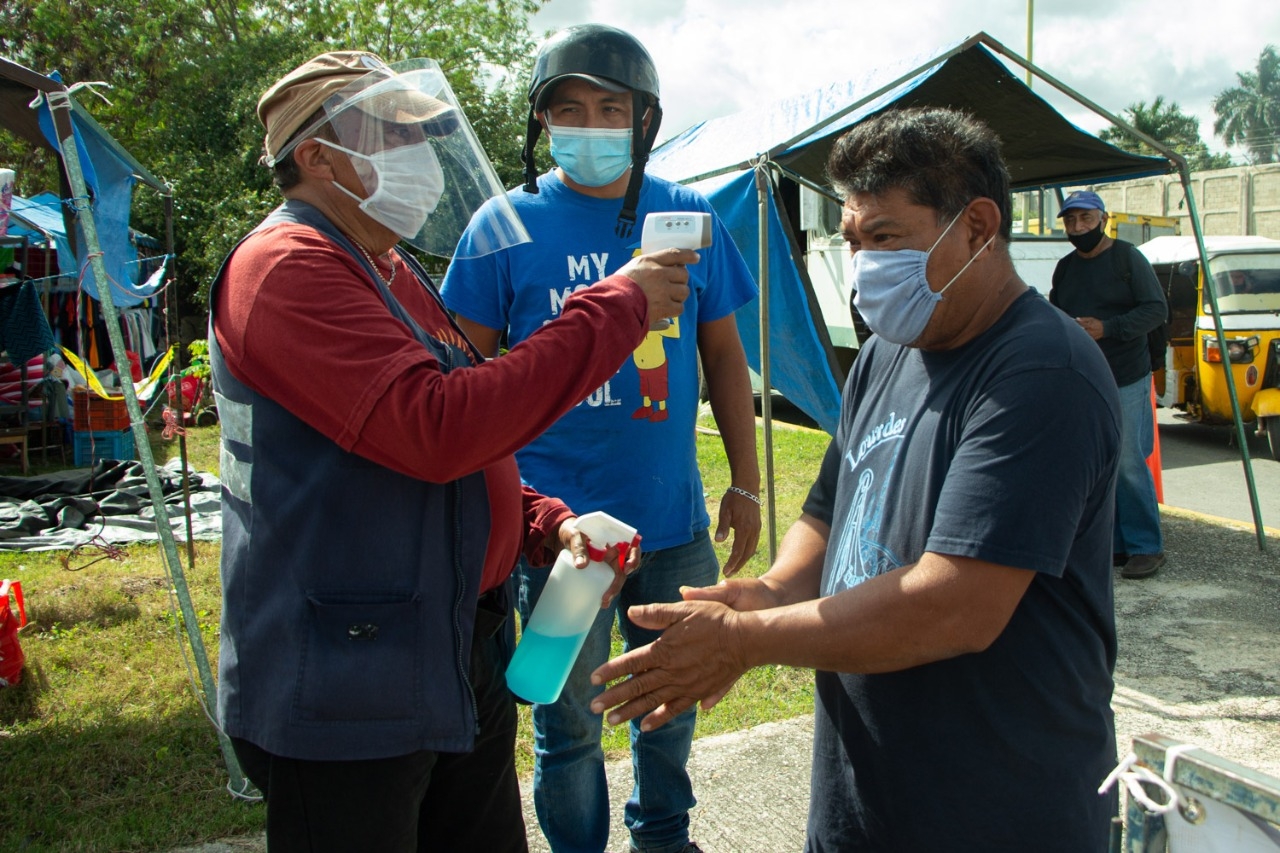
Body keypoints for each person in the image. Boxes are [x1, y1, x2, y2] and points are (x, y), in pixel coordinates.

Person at [588, 107, 1122, 853]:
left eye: (885, 239)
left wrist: (748, 640)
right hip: (867, 798)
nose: (865, 264)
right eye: (852, 241)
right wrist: (771, 592)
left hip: (997, 805)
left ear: (976, 227)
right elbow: (831, 508)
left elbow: (956, 605)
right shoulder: (888, 350)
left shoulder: (1040, 373)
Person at [210, 50, 697, 853]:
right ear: (316, 157)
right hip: (348, 679)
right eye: (393, 137)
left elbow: (464, 424)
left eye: (424, 136)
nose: (422, 157)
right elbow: (437, 427)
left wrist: (542, 522)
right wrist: (618, 306)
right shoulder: (289, 269)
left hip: (442, 649)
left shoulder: (386, 269)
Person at [440, 24, 760, 853]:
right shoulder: (500, 226)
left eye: (609, 107)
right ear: (541, 123)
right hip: (564, 539)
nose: (588, 124)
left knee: (669, 707)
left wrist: (747, 481)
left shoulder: (688, 214)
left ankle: (665, 839)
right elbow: (460, 384)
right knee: (568, 723)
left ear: (643, 120)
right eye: (568, 109)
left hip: (676, 526)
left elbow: (724, 357)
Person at [1051, 189, 1168, 580]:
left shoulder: (1128, 259)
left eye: (1085, 219)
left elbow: (1156, 310)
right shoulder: (1066, 268)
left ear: (1102, 218)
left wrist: (1108, 328)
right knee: (1095, 462)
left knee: (1130, 462)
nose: (1078, 227)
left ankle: (1145, 546)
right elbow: (1057, 311)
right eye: (1070, 221)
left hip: (1126, 375)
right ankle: (1114, 545)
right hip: (1083, 377)